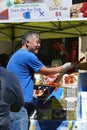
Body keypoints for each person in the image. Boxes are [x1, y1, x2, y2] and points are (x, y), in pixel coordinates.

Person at [6, 31, 74, 130]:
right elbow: (46, 72)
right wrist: (64, 67)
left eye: (40, 43)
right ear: (27, 42)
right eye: (37, 42)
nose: (39, 45)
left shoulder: (18, 54)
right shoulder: (27, 55)